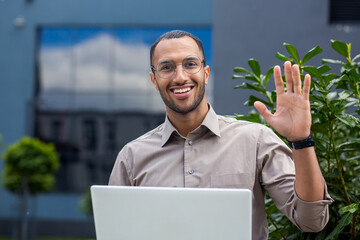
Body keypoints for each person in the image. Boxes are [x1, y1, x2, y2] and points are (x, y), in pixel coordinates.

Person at [109, 30, 333, 240]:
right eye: (166, 67)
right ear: (154, 80)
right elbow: (114, 232)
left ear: (205, 74)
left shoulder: (255, 140)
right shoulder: (132, 157)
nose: (179, 77)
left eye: (190, 64)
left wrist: (301, 140)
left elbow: (311, 221)